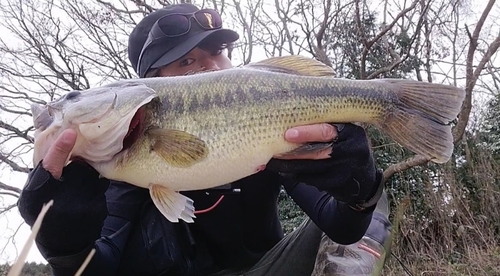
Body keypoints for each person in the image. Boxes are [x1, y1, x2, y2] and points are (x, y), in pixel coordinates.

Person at [18, 3, 391, 276]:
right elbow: (100, 265)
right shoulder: (118, 165)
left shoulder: (269, 133)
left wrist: (358, 191)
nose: (212, 67)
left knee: (372, 187)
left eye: (218, 53)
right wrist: (63, 244)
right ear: (153, 82)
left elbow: (342, 227)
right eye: (186, 62)